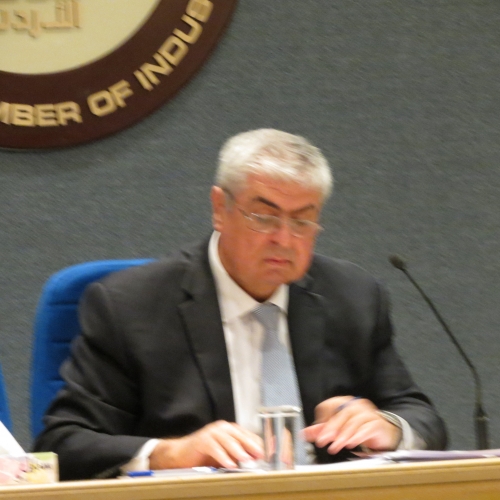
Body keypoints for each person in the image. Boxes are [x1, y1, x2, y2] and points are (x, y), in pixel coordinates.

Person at [34, 129, 446, 480]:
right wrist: (170, 453)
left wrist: (388, 427)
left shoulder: (352, 296)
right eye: (264, 217)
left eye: (302, 221)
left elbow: (420, 415)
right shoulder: (131, 306)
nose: (284, 239)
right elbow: (63, 444)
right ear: (220, 208)